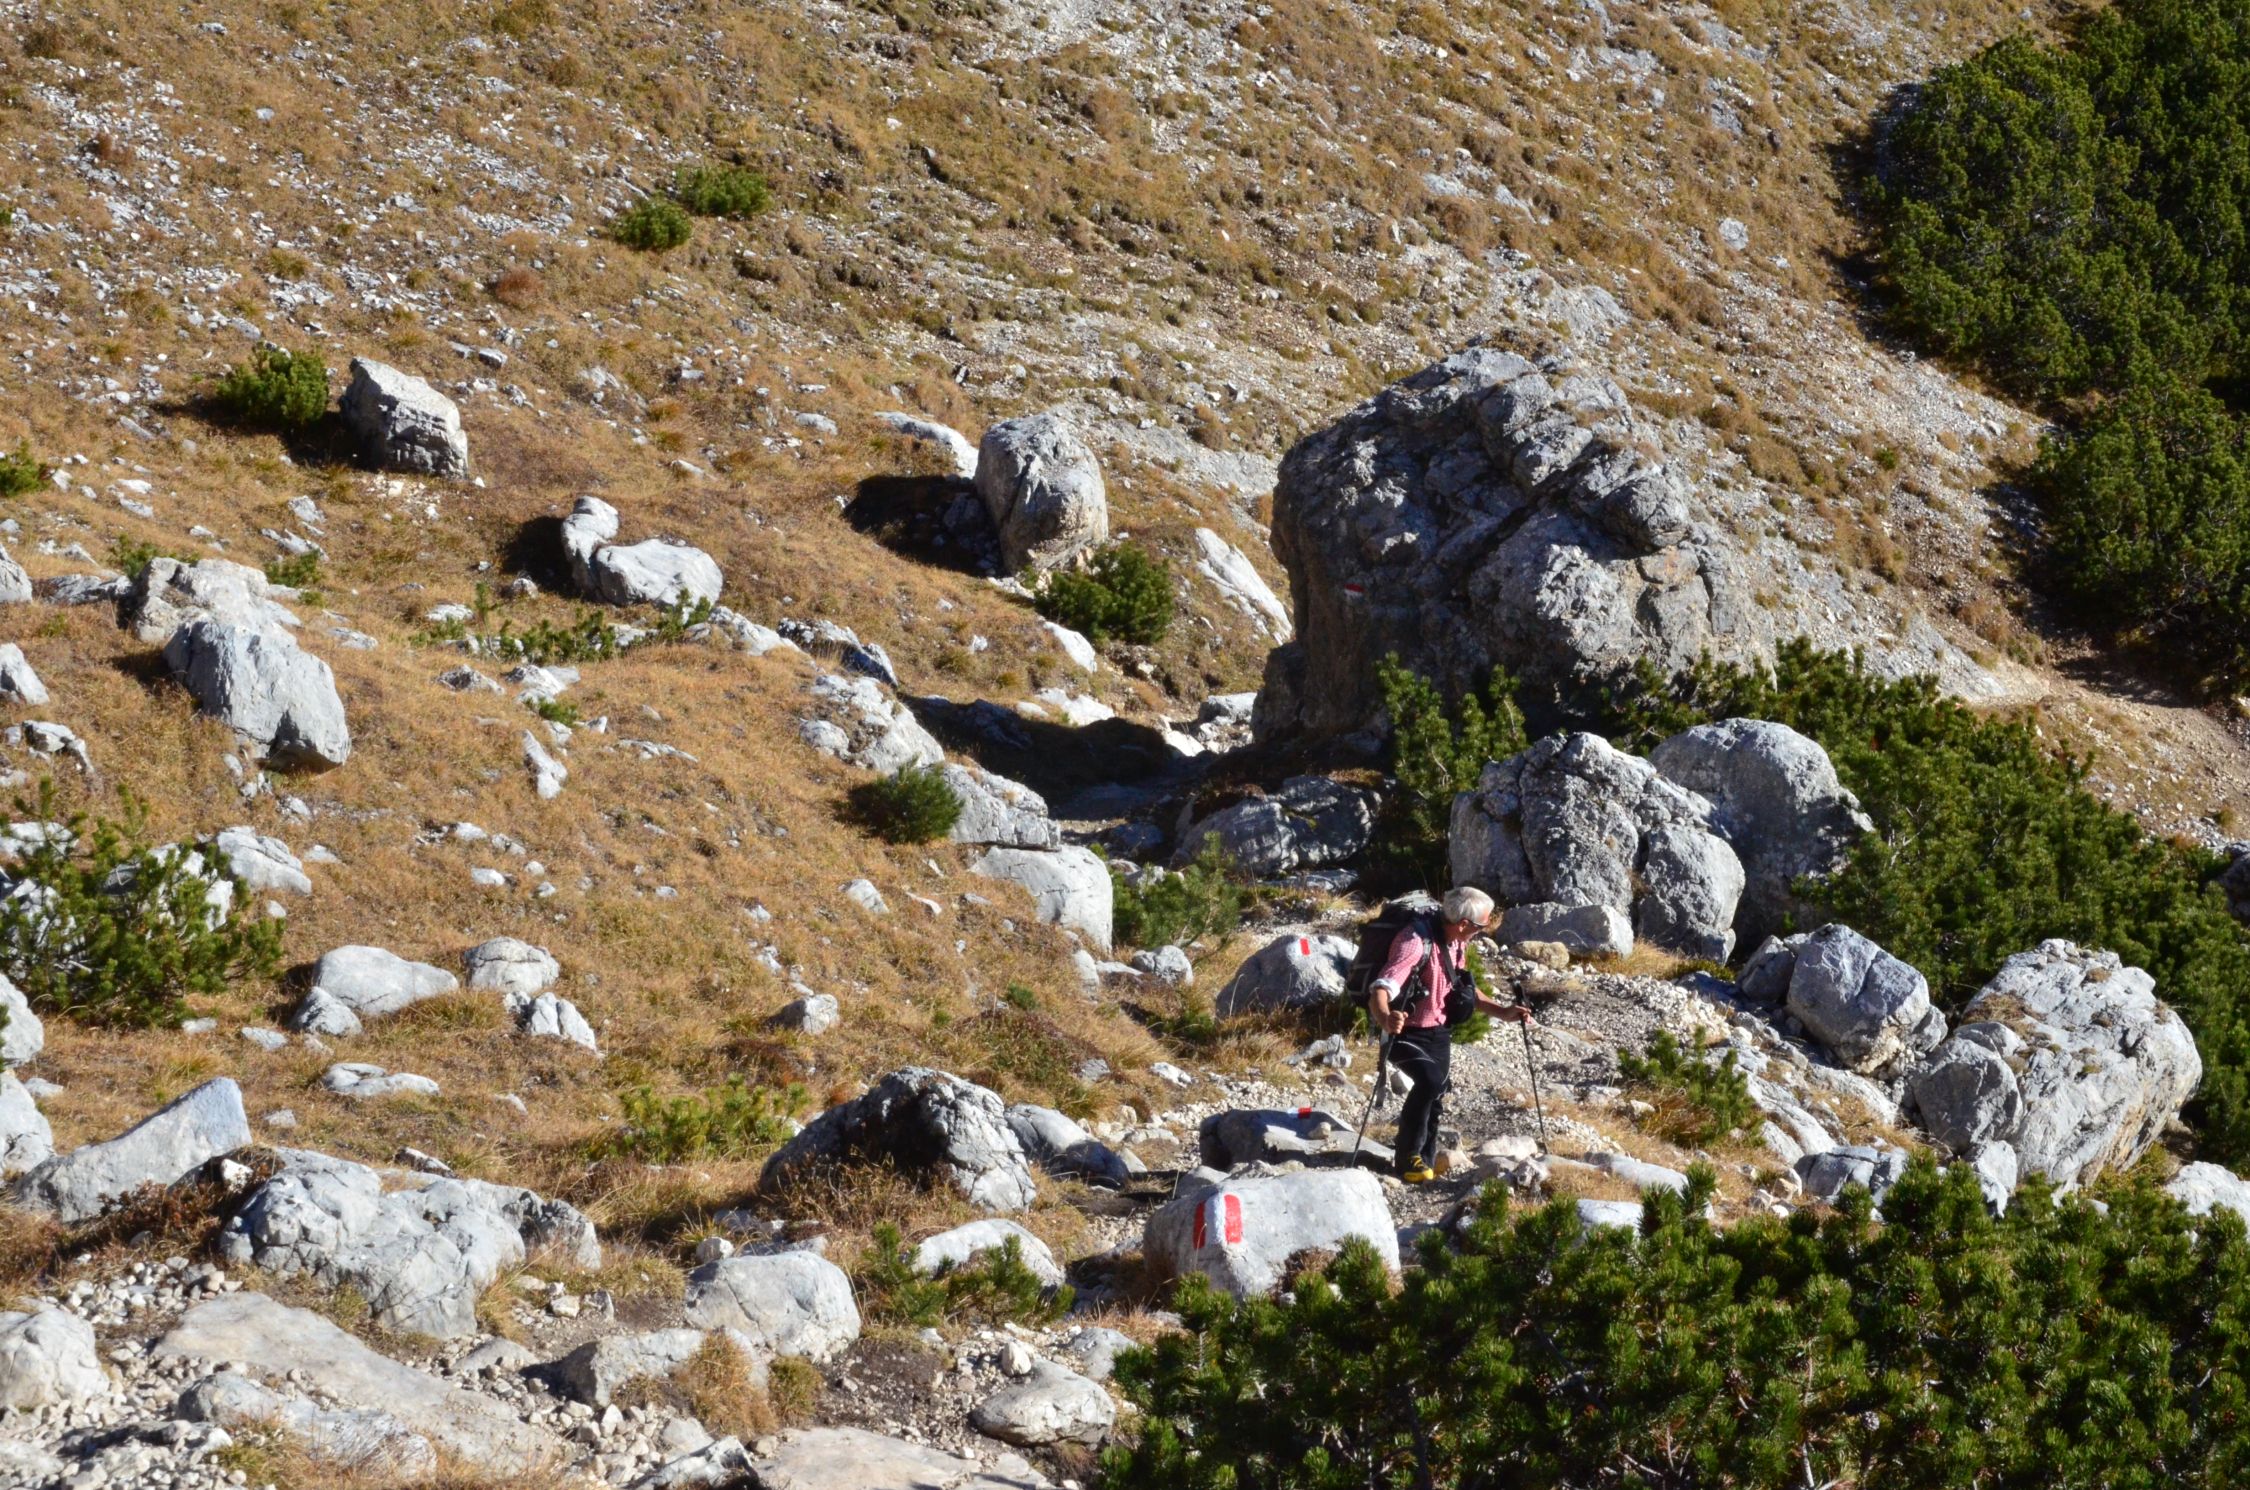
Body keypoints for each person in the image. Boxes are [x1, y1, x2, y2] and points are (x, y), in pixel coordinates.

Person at [1367, 885, 1534, 1184]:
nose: (1482, 932)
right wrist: (1385, 1017)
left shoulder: (1457, 943)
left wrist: (1503, 1012)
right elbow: (1381, 988)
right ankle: (1406, 1157)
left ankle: (1425, 1161)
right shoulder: (1414, 942)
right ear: (1464, 924)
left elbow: (1462, 988)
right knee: (1430, 1082)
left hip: (1438, 1032)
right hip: (1405, 1033)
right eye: (1481, 927)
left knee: (1437, 1093)